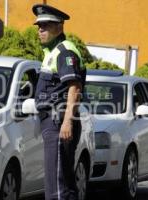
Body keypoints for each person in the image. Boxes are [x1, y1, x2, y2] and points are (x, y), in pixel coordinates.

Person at [32, 4, 86, 200]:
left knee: (56, 187)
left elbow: (74, 87)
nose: (40, 30)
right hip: (54, 122)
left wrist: (67, 121)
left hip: (59, 121)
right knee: (63, 183)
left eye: (45, 26)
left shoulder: (65, 52)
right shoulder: (51, 52)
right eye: (39, 26)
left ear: (59, 27)